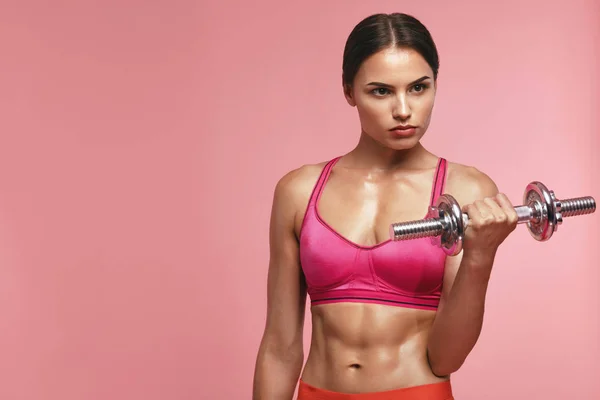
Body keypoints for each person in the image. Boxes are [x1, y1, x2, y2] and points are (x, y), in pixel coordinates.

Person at [252, 12, 519, 400]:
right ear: (348, 91)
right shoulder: (299, 190)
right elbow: (280, 348)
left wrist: (480, 255)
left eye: (418, 88)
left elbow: (446, 358)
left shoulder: (466, 189)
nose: (403, 110)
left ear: (435, 85)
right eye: (381, 91)